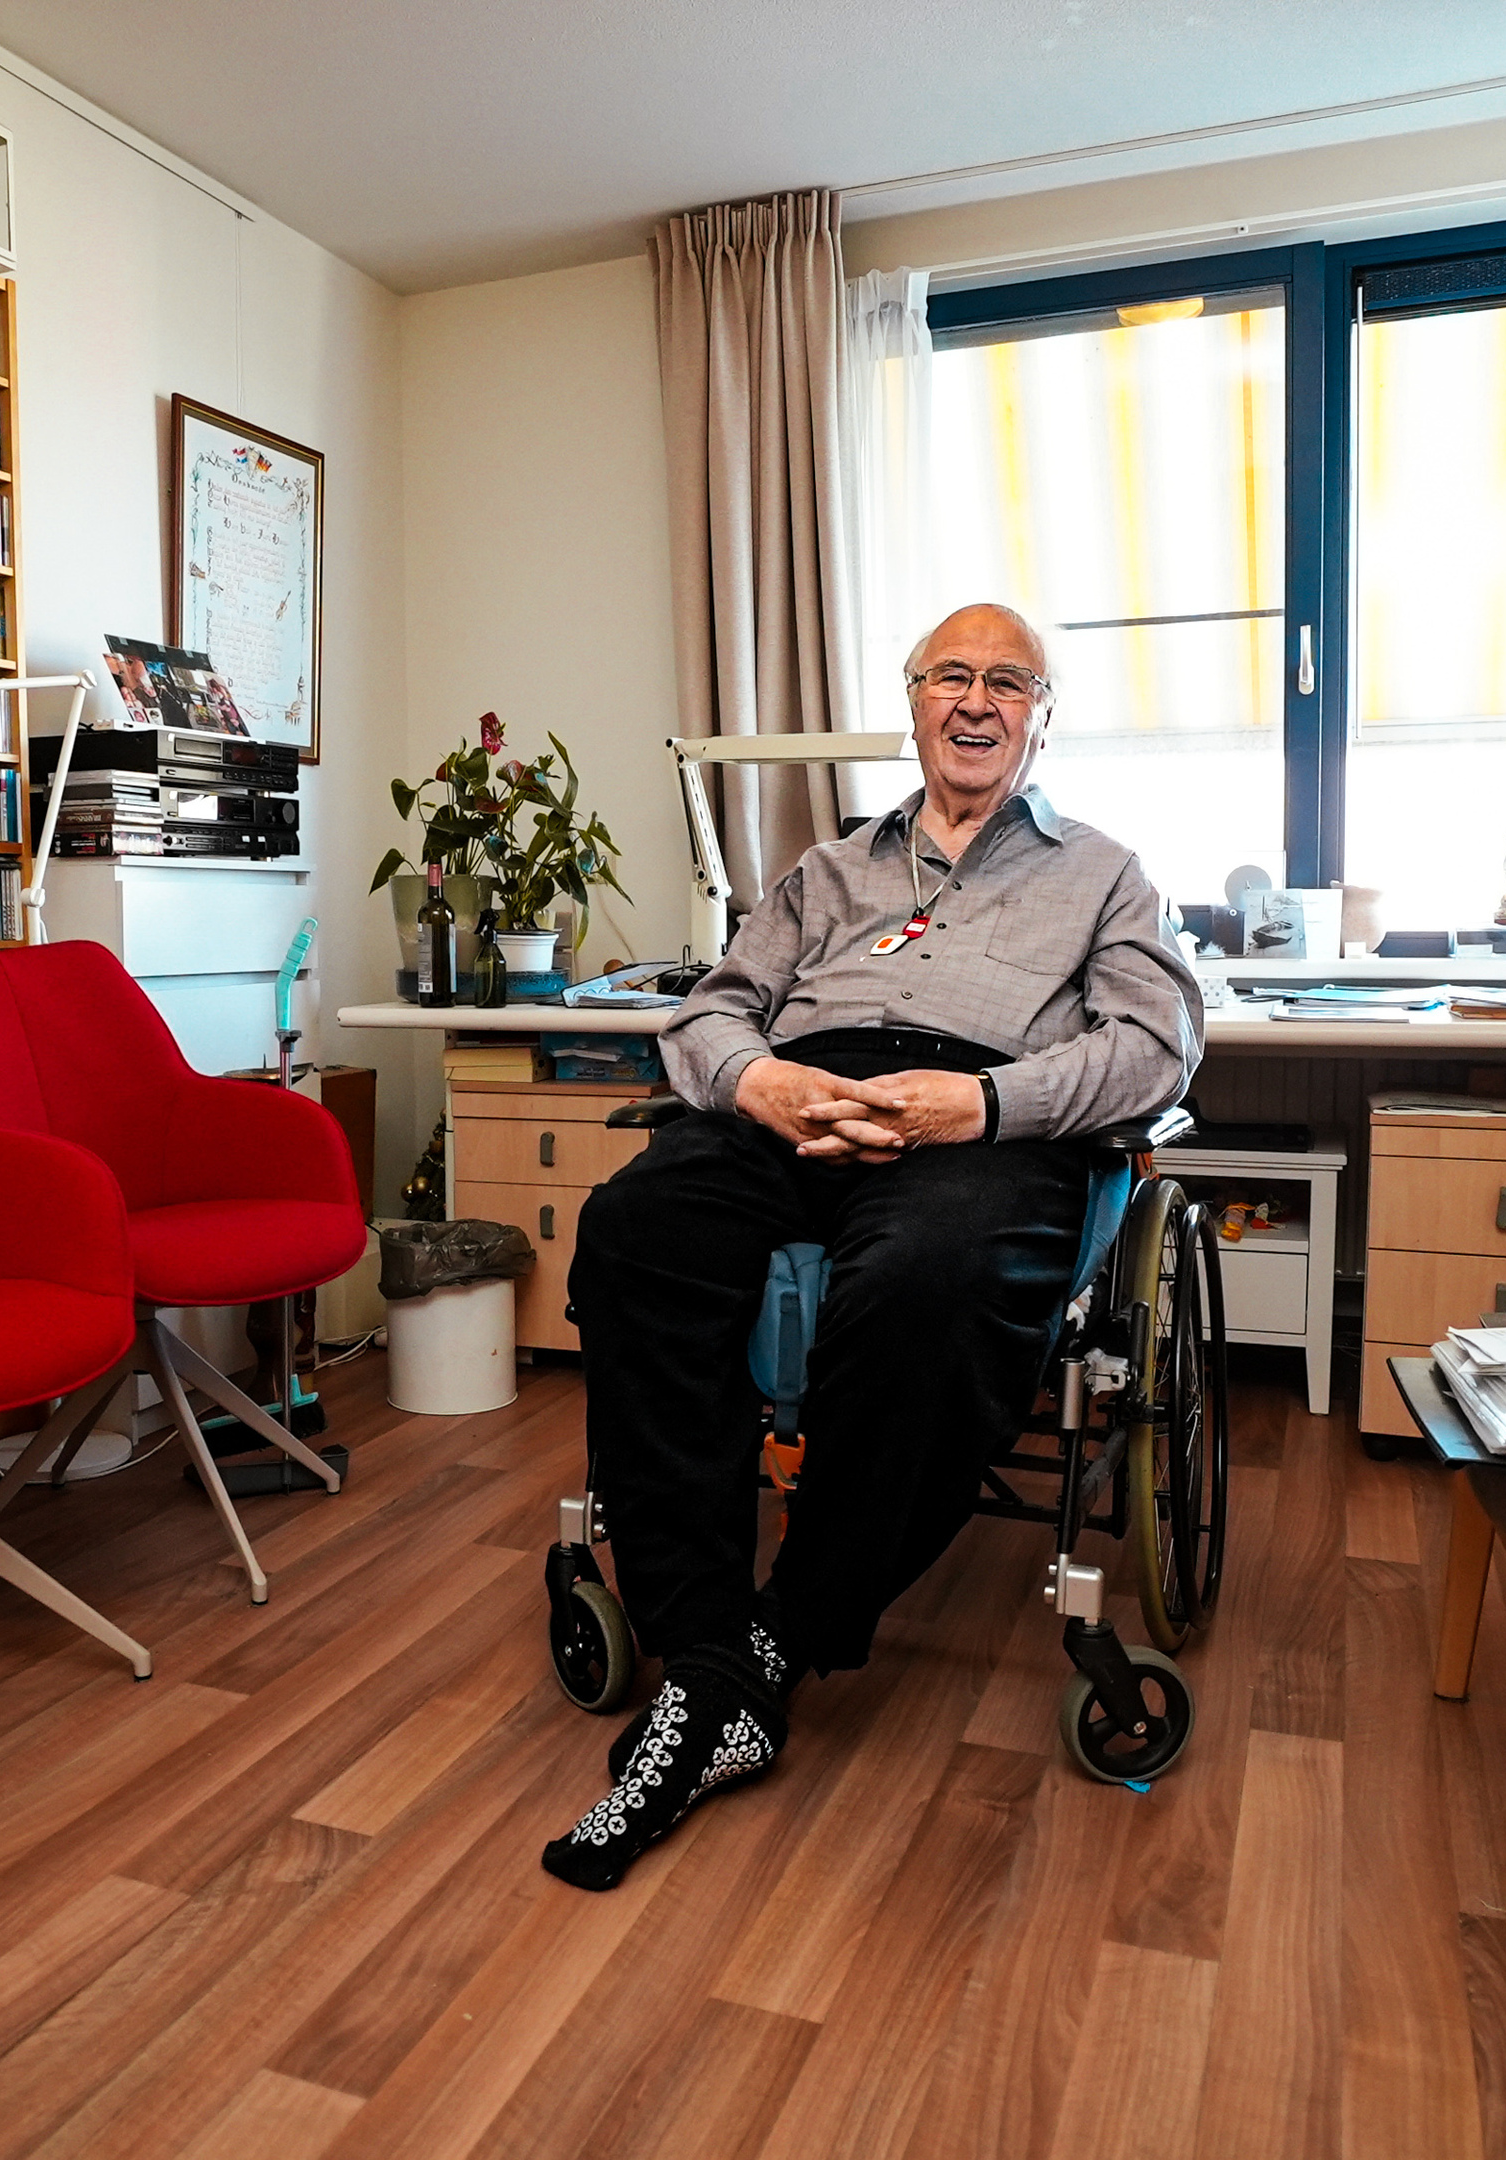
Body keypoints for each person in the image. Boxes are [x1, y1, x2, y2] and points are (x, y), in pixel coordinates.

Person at [542, 600, 1202, 1890]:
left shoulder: (1105, 875)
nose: (976, 700)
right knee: (633, 1233)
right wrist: (763, 1083)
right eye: (951, 674)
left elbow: (1154, 1047)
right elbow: (710, 1013)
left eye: (1008, 681)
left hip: (978, 1117)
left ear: (1042, 719)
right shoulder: (827, 871)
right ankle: (705, 1646)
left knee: (926, 1282)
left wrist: (982, 1105)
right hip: (803, 1097)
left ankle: (774, 1645)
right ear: (911, 703)